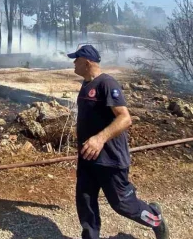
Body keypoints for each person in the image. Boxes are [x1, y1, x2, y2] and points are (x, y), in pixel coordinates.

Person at [68, 44, 169, 239]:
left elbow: (125, 118)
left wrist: (99, 138)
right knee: (85, 200)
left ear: (87, 62)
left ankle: (155, 218)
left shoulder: (107, 84)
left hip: (109, 159)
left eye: (76, 59)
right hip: (88, 157)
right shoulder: (86, 85)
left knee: (122, 204)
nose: (73, 63)